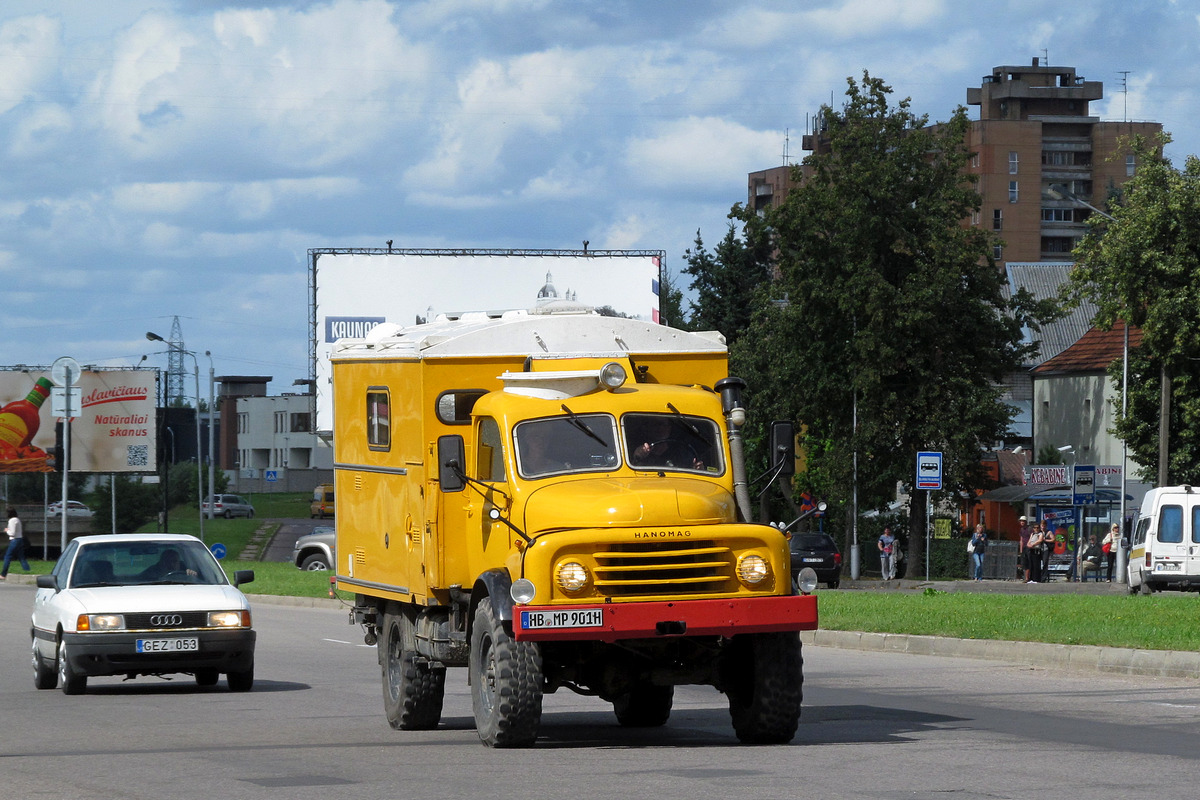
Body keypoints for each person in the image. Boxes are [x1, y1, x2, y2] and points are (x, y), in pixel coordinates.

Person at [628, 416, 704, 470]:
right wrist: (637, 456)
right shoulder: (634, 449)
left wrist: (697, 469)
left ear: (669, 428)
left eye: (665, 425)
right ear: (646, 428)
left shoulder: (681, 452)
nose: (661, 428)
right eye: (656, 424)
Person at [0, 507, 30, 580]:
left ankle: (3, 574)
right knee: (21, 557)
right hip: (20, 540)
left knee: (7, 557)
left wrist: (7, 530)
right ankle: (27, 570)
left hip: (14, 540)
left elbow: (12, 533)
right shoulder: (17, 520)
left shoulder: (12, 520)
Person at [1018, 516, 1031, 582]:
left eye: (1023, 521)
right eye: (1021, 521)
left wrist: (1029, 544)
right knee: (1024, 563)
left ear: (1026, 522)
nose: (1022, 522)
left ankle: (1027, 578)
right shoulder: (1021, 529)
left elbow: (1031, 537)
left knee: (1029, 562)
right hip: (1024, 548)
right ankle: (1026, 577)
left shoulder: (1029, 529)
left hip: (1029, 547)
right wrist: (1021, 549)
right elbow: (1021, 539)